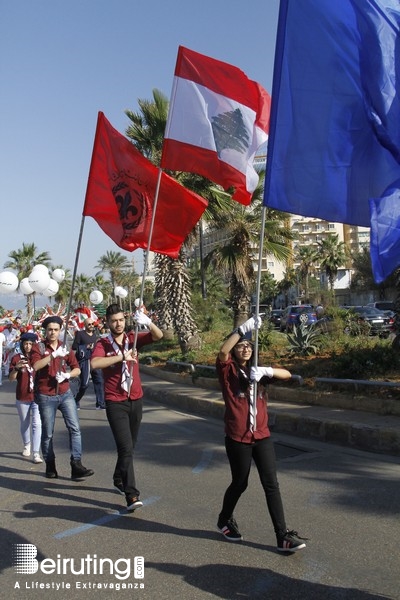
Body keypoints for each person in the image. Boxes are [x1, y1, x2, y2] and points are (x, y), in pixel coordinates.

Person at [215, 315, 307, 553]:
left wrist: (267, 370)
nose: (244, 349)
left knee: (271, 484)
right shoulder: (228, 372)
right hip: (238, 437)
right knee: (240, 482)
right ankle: (224, 519)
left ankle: (282, 535)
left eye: (248, 345)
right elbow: (222, 352)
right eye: (240, 346)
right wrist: (241, 329)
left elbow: (287, 374)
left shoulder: (258, 372)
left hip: (262, 435)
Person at [91, 303, 163, 511]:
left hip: (136, 398)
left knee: (130, 446)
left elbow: (158, 336)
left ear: (125, 320)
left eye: (121, 320)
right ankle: (131, 494)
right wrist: (123, 356)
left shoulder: (133, 338)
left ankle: (117, 477)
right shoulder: (103, 343)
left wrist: (148, 322)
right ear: (107, 322)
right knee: (125, 447)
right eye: (114, 320)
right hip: (115, 401)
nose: (118, 323)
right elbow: (95, 363)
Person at [30, 315, 94, 480]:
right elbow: (35, 366)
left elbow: (77, 369)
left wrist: (66, 375)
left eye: (56, 330)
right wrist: (52, 356)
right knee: (48, 433)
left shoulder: (65, 347)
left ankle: (76, 464)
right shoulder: (39, 348)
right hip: (46, 395)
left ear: (60, 331)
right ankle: (50, 464)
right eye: (50, 329)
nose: (53, 332)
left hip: (65, 394)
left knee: (75, 428)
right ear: (45, 331)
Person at [9, 332, 43, 463]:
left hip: (37, 396)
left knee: (37, 424)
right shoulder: (17, 358)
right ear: (22, 344)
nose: (28, 346)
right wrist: (16, 369)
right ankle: (27, 445)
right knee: (25, 423)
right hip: (22, 396)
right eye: (26, 344)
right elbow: (11, 379)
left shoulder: (37, 358)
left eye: (31, 344)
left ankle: (36, 453)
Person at [72, 318, 105, 410]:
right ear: (85, 326)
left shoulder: (96, 335)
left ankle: (100, 403)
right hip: (85, 361)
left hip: (95, 359)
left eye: (92, 324)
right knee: (84, 384)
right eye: (89, 324)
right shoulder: (80, 334)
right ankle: (76, 401)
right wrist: (86, 346)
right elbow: (74, 347)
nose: (91, 326)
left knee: (99, 381)